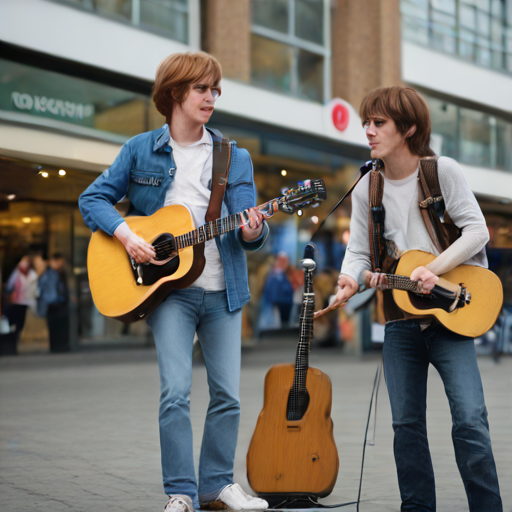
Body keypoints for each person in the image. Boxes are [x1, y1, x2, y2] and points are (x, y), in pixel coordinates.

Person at [79, 52, 269, 512]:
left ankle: (217, 486)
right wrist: (126, 235)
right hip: (169, 294)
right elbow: (93, 198)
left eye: (215, 90)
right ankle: (181, 492)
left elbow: (252, 226)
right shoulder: (140, 149)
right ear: (175, 93)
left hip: (224, 291)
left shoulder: (233, 157)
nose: (211, 97)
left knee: (227, 394)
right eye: (202, 89)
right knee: (175, 393)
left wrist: (252, 229)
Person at [316, 86, 502, 511]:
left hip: (451, 317)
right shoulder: (368, 187)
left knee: (471, 420)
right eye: (366, 122)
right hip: (400, 321)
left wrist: (432, 269)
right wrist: (348, 280)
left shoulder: (441, 172)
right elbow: (359, 251)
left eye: (378, 123)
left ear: (409, 128)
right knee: (406, 427)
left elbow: (478, 231)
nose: (368, 130)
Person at [38, 253, 70, 353]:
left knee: (61, 325)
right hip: (51, 302)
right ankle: (55, 347)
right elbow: (42, 285)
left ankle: (62, 345)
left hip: (60, 302)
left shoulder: (61, 272)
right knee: (53, 326)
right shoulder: (48, 272)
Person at [4, 255, 38, 344]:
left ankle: (19, 340)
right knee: (18, 323)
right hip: (20, 302)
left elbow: (9, 285)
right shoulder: (19, 273)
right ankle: (16, 340)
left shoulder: (31, 274)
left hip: (26, 302)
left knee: (20, 324)